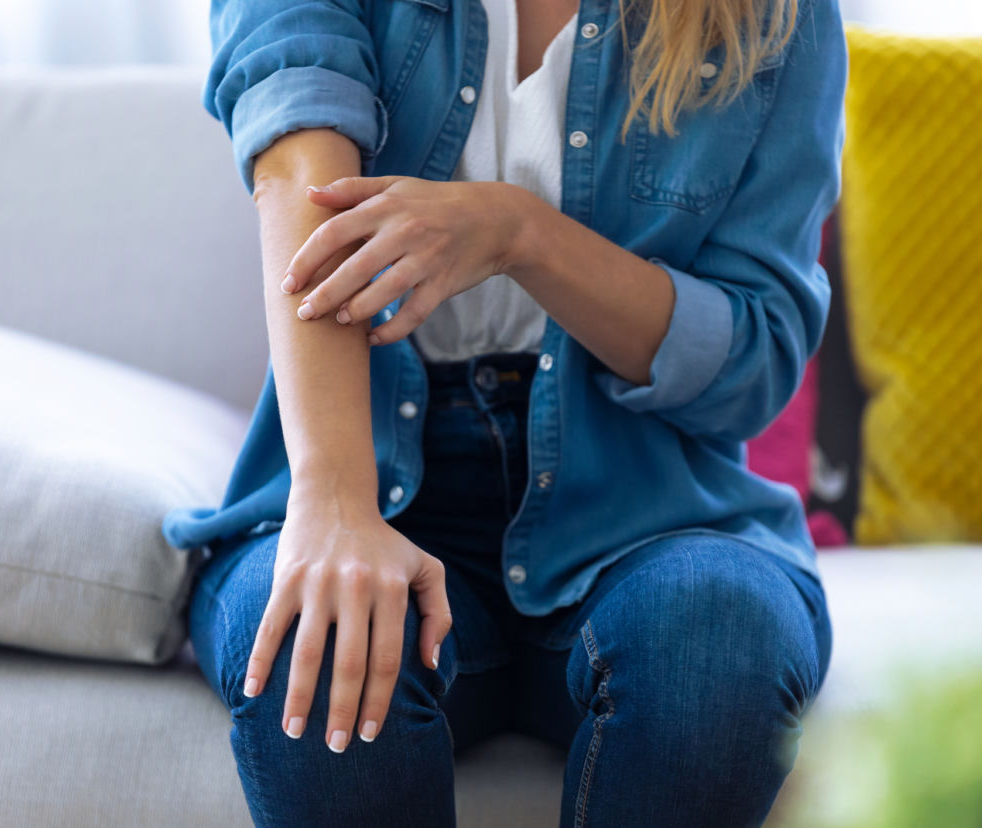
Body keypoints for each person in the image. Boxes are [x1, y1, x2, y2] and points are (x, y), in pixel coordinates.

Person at [162, 0, 846, 823]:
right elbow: (303, 183)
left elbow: (755, 362)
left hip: (649, 512)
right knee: (318, 643)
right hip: (369, 472)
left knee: (717, 638)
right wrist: (336, 502)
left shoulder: (780, 15)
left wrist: (522, 234)